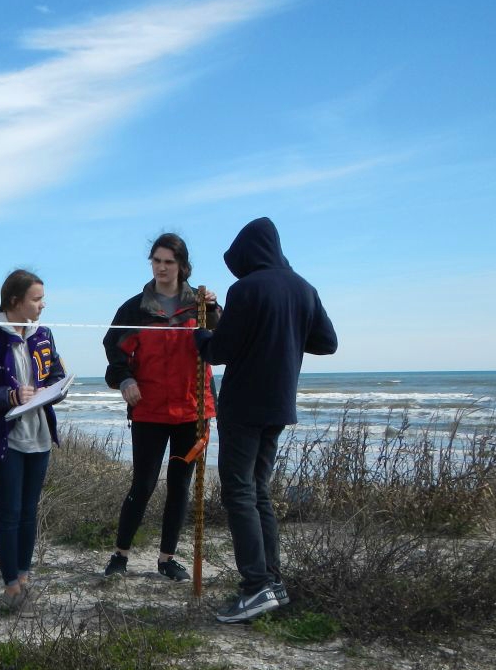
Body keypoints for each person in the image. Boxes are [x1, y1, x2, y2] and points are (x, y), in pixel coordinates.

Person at [195, 217, 338, 623]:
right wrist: (287, 334)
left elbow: (219, 351)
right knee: (258, 491)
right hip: (279, 404)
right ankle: (272, 583)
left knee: (239, 492)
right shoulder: (303, 287)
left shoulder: (246, 288)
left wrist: (201, 336)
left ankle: (256, 587)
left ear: (247, 253)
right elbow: (327, 342)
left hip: (243, 404)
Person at [100, 234, 219, 582]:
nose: (162, 268)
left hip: (193, 410)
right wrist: (124, 380)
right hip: (148, 409)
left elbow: (220, 341)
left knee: (180, 486)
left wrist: (212, 311)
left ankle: (167, 559)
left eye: (169, 262)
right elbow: (114, 348)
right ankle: (120, 555)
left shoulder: (200, 305)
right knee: (143, 484)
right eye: (157, 261)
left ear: (182, 265)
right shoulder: (134, 308)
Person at [0, 269, 67, 606]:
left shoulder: (44, 334)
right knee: (9, 512)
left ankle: (24, 576)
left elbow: (56, 374)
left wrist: (53, 390)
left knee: (29, 510)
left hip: (38, 436)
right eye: (36, 299)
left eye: (42, 299)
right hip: (6, 438)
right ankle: (10, 584)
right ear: (15, 301)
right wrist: (10, 396)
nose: (42, 305)